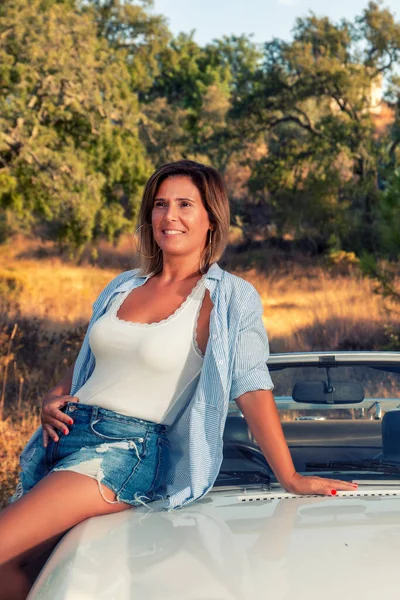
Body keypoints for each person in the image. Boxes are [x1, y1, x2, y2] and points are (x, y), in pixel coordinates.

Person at [0, 160, 357, 599]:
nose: (170, 216)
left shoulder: (227, 297)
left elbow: (250, 383)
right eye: (160, 204)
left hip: (122, 451)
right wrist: (52, 397)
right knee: (14, 569)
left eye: (185, 204)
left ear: (211, 218)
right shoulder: (122, 286)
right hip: (66, 437)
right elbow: (92, 366)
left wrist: (290, 477)